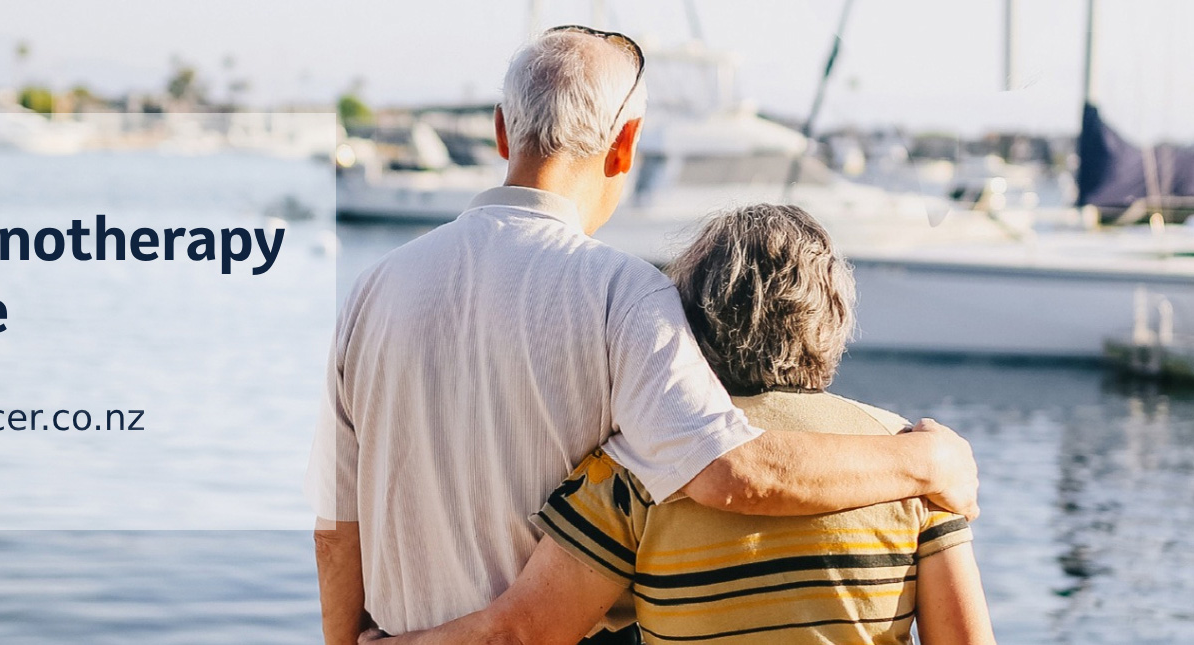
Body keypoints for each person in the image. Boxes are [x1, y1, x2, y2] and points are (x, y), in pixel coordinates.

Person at [310, 26, 981, 645]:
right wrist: (927, 462)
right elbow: (726, 471)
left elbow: (336, 531)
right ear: (625, 142)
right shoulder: (622, 294)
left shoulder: (370, 292)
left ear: (502, 132)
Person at [362, 205, 997, 645]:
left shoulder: (639, 466)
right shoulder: (914, 462)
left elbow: (523, 634)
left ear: (689, 323)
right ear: (833, 321)